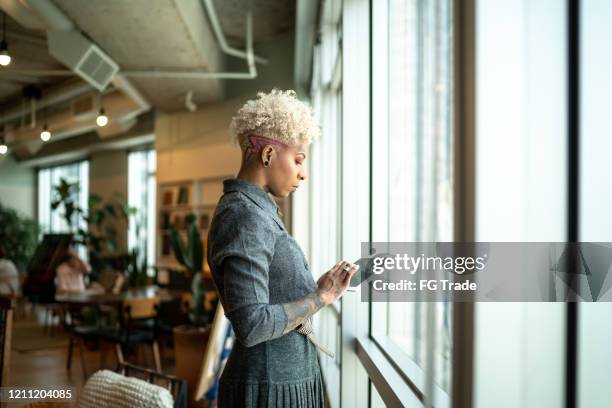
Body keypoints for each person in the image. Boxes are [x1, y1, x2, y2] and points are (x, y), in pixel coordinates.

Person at [207, 89, 359, 408]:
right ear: (268, 154)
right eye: (298, 160)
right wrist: (321, 297)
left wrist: (321, 288)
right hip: (268, 388)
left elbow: (273, 293)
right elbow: (252, 324)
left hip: (280, 381)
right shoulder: (245, 215)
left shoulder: (259, 210)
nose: (303, 173)